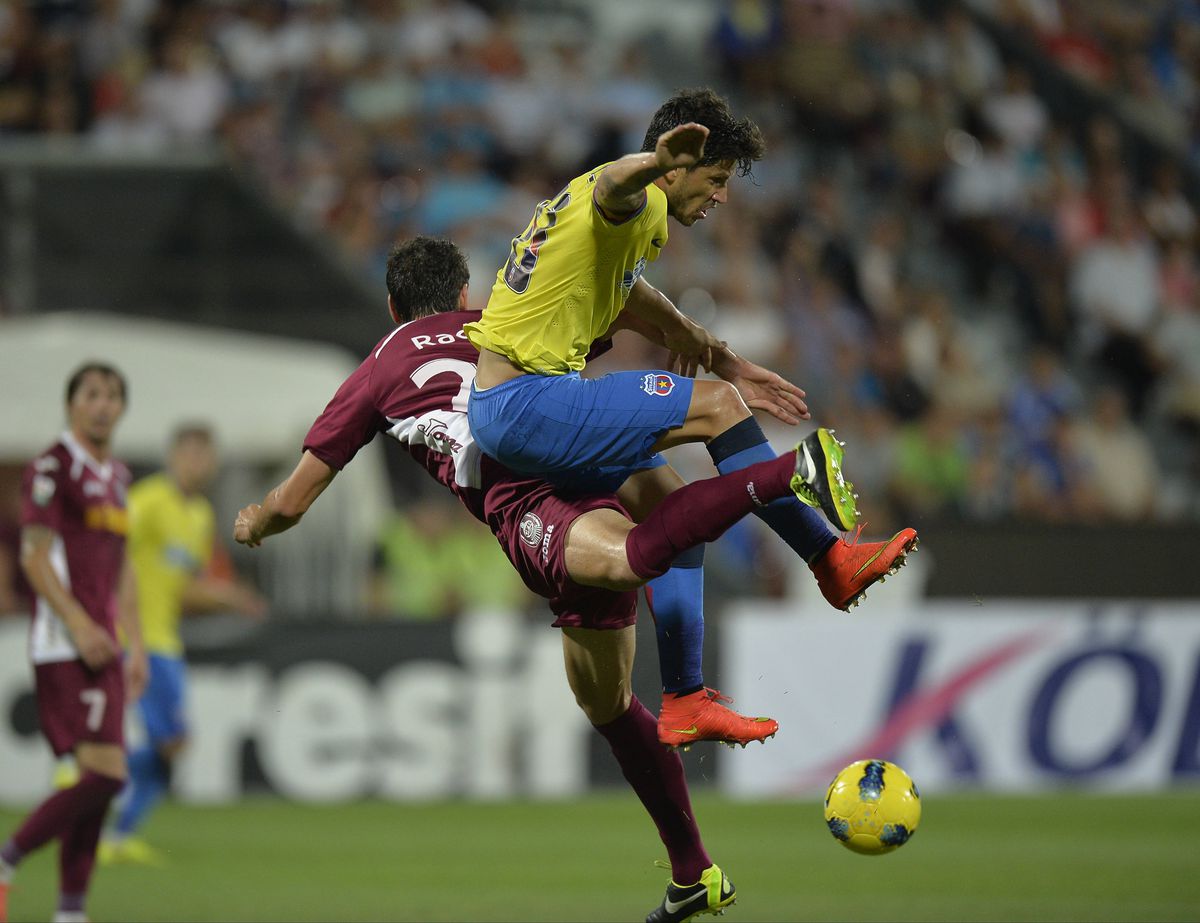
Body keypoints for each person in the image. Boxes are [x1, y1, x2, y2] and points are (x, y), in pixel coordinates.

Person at [233, 237, 838, 922]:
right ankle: (691, 864)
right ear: (463, 292)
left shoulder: (377, 368)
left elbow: (291, 501)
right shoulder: (503, 318)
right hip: (583, 445)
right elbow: (614, 304)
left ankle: (788, 476)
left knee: (629, 557)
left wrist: (255, 523)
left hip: (526, 495)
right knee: (606, 695)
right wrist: (693, 342)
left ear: (393, 305)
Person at [465, 87, 917, 745]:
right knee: (717, 410)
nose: (722, 197)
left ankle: (683, 697)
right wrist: (651, 162)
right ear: (675, 166)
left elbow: (629, 292)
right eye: (715, 178)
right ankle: (829, 557)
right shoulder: (635, 193)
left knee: (678, 516)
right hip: (524, 403)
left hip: (524, 407)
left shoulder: (637, 225)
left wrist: (716, 351)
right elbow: (613, 186)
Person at [0, 362, 148, 923]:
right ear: (72, 405)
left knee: (100, 781)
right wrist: (80, 624)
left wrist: (134, 643)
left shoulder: (117, 476)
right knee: (108, 775)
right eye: (92, 394)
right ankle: (7, 858)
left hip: (105, 646)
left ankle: (70, 913)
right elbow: (33, 556)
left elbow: (122, 567)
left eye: (113, 395)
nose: (103, 404)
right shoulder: (51, 467)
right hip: (65, 644)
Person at [99, 423, 266, 866]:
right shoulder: (149, 500)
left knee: (171, 744)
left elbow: (183, 588)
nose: (198, 463)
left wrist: (230, 597)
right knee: (171, 742)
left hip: (164, 640)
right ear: (173, 456)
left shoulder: (199, 516)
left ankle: (113, 829)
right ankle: (93, 801)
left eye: (205, 455)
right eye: (190, 454)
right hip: (135, 639)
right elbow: (105, 549)